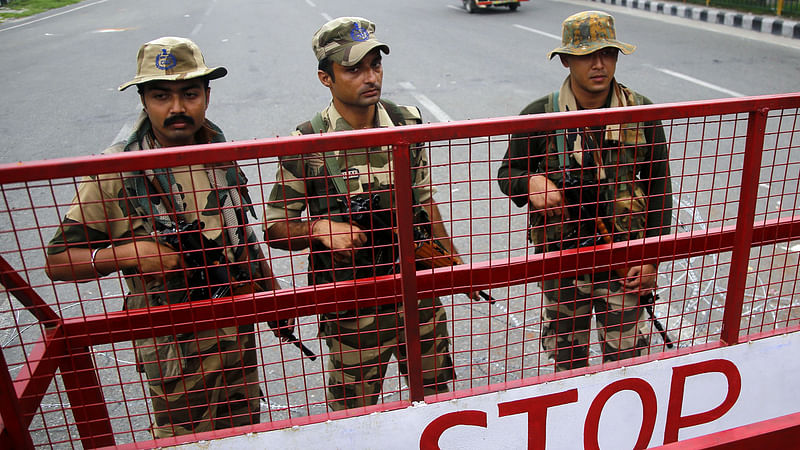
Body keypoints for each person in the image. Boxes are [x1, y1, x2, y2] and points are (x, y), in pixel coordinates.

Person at [45, 37, 273, 437]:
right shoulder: (116, 171)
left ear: (207, 94)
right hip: (176, 351)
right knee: (185, 442)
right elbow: (59, 261)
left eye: (189, 94)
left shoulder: (216, 151)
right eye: (161, 95)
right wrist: (125, 253)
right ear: (143, 99)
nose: (178, 108)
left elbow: (240, 231)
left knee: (246, 435)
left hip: (235, 331)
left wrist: (270, 291)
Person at [264, 17, 458, 411]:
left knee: (439, 400)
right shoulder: (307, 142)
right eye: (353, 69)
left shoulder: (405, 123)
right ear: (326, 77)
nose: (370, 77)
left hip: (416, 292)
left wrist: (452, 262)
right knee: (356, 412)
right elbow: (274, 227)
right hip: (352, 307)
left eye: (375, 65)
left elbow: (423, 199)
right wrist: (319, 228)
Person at [497, 11, 673, 372]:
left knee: (626, 365)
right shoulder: (540, 116)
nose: (599, 64)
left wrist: (652, 259)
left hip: (623, 261)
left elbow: (658, 188)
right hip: (562, 260)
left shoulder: (641, 113)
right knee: (568, 366)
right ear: (565, 60)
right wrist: (529, 183)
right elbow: (507, 172)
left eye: (607, 54)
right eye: (587, 56)